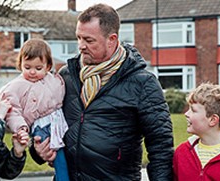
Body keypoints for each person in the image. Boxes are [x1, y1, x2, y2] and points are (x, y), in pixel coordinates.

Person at [31, 3, 174, 180]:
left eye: (89, 40)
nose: (81, 46)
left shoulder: (143, 83)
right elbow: (46, 121)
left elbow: (161, 146)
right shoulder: (66, 76)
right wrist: (37, 150)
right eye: (79, 38)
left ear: (112, 39)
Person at [0, 39, 69, 181]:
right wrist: (21, 128)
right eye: (27, 67)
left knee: (70, 153)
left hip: (59, 121)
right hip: (41, 126)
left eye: (38, 68)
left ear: (48, 66)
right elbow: (13, 112)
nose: (32, 72)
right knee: (59, 157)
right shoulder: (15, 87)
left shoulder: (55, 80)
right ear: (20, 65)